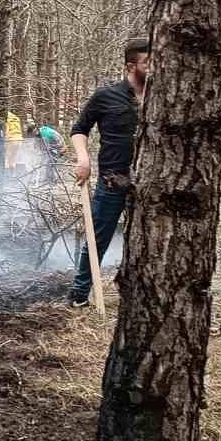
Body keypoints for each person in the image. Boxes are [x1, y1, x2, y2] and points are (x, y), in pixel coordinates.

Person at [67, 38, 150, 308]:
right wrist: (83, 159)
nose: (156, 68)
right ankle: (79, 294)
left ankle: (140, 292)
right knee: (98, 237)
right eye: (148, 63)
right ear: (130, 66)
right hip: (113, 179)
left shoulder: (164, 97)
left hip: (151, 182)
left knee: (149, 239)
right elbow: (80, 129)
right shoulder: (106, 96)